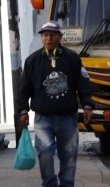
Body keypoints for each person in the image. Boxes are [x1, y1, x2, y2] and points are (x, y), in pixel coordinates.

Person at [16, 21, 93, 187]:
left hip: (67, 118)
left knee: (69, 156)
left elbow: (83, 84)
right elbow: (24, 90)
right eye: (45, 35)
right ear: (42, 38)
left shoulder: (72, 59)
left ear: (60, 37)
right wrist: (22, 111)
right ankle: (50, 183)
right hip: (43, 119)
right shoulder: (32, 61)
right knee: (44, 153)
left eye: (52, 35)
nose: (49, 38)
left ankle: (66, 184)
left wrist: (87, 105)